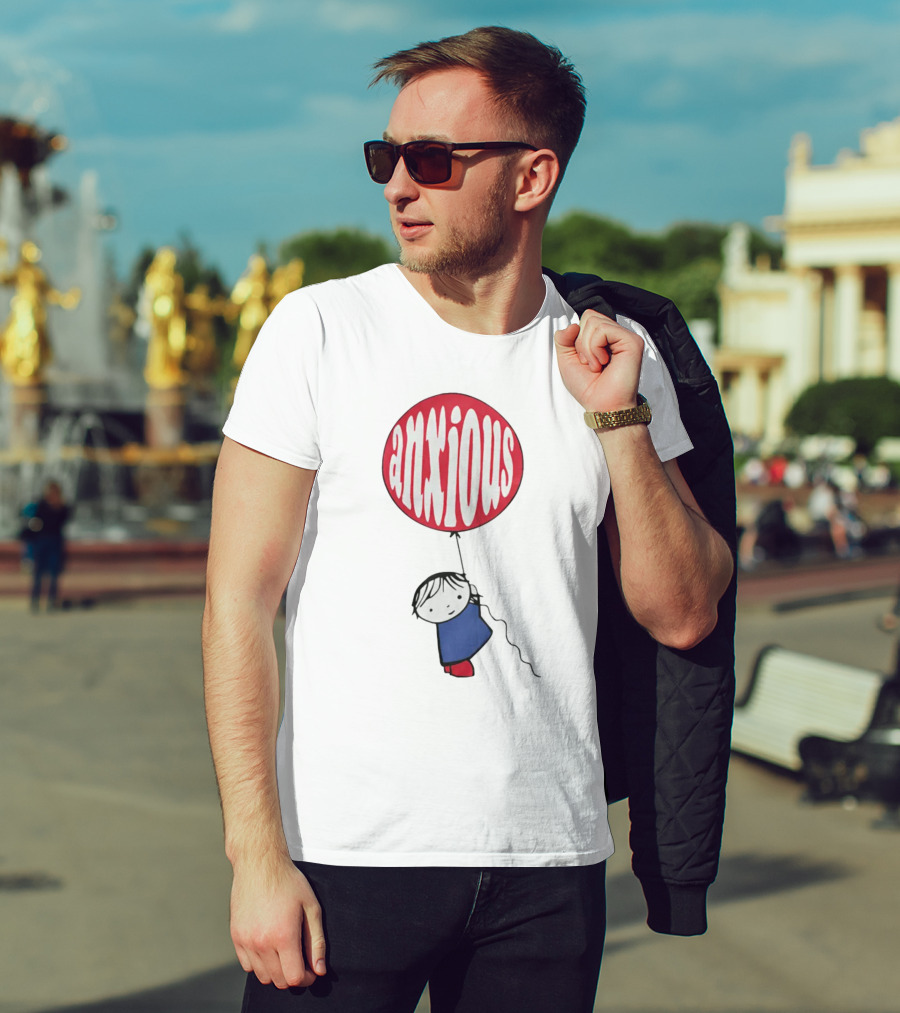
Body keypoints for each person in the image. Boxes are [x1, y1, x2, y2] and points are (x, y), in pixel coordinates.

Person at [202, 26, 734, 1013]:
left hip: (549, 861)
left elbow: (685, 610)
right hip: (345, 858)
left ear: (532, 176)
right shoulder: (319, 330)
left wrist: (618, 419)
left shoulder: (614, 355)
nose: (399, 186)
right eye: (385, 157)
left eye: (433, 159)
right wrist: (256, 854)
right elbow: (238, 604)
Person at [24, 480, 70, 611]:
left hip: (55, 541)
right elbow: (32, 519)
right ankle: (35, 600)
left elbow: (63, 521)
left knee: (54, 572)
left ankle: (51, 600)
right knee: (38, 572)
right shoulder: (41, 504)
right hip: (41, 541)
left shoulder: (62, 507)